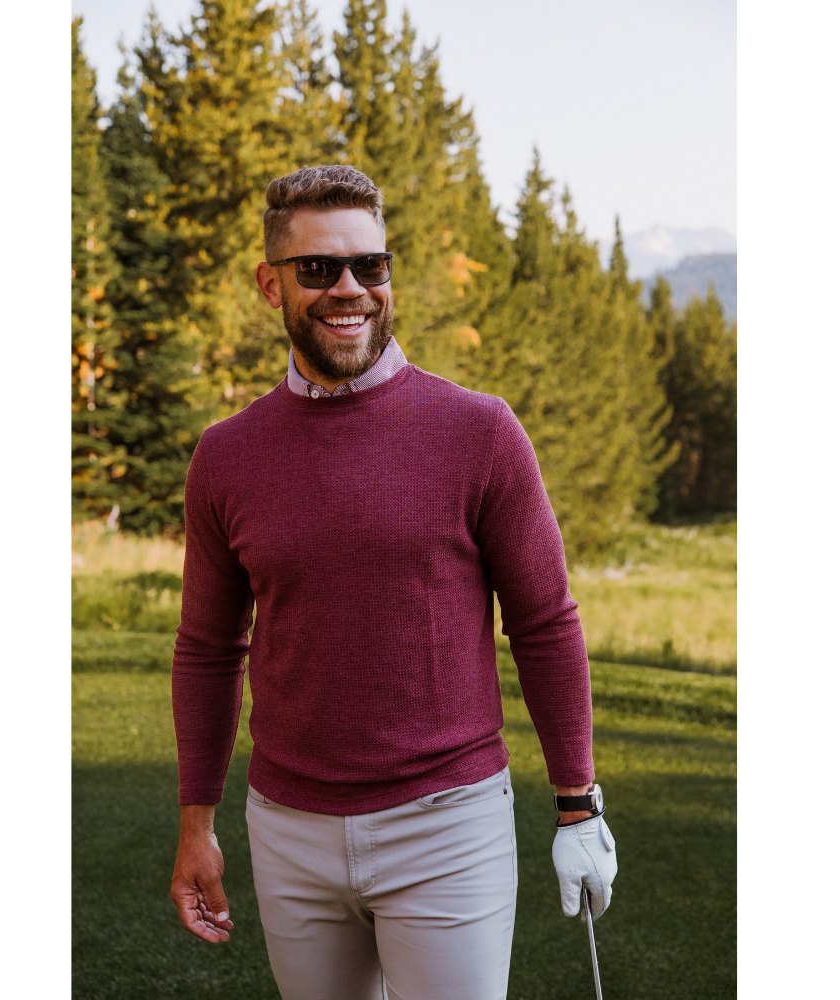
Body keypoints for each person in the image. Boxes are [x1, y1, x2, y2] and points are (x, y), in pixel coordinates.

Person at [167, 165, 617, 999]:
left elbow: (546, 623)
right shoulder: (225, 455)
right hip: (287, 830)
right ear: (271, 284)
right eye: (319, 269)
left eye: (370, 266)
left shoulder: (481, 432)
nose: (351, 289)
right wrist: (198, 826)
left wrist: (577, 804)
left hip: (448, 828)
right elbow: (205, 649)